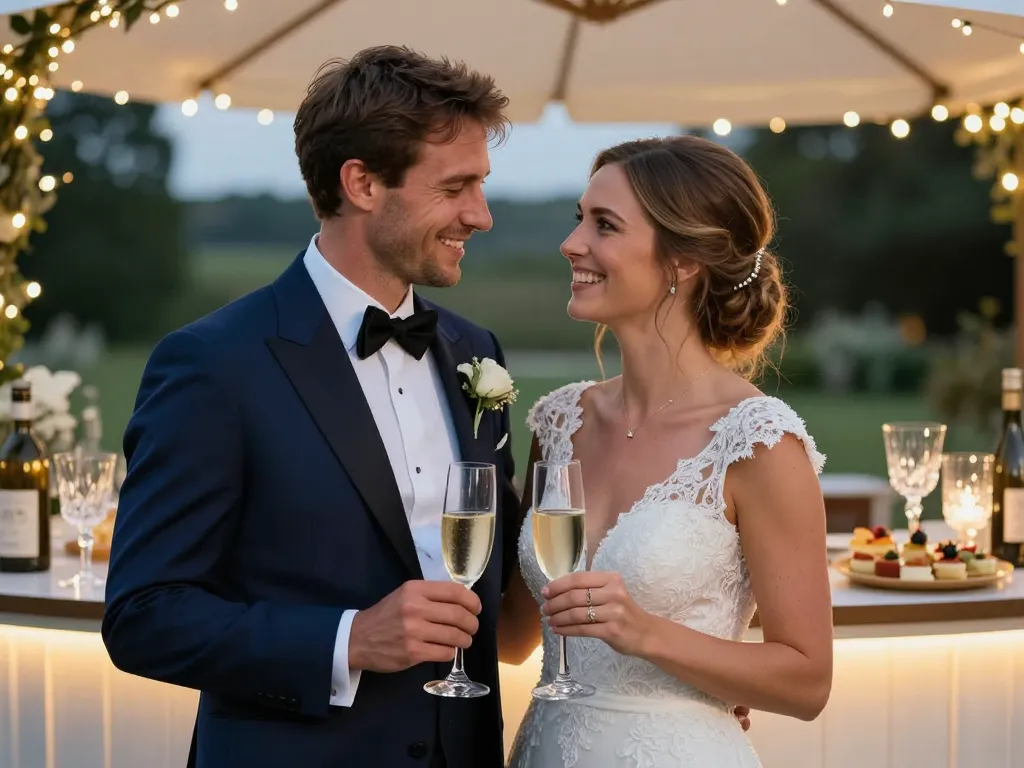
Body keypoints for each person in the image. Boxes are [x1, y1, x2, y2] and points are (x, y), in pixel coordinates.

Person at [101, 46, 522, 768]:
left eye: (481, 185)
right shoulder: (213, 363)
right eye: (456, 187)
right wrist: (348, 640)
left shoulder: (473, 351)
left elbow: (508, 585)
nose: (479, 215)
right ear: (360, 183)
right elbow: (144, 616)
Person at [500, 135, 834, 767]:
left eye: (605, 225)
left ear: (682, 261)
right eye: (580, 220)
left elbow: (807, 680)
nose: (572, 244)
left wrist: (648, 634)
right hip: (543, 749)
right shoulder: (559, 422)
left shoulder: (759, 443)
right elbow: (517, 634)